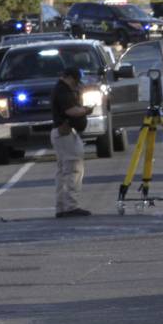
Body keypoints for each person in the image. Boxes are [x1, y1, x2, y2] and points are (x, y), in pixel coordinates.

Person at [51, 66, 94, 218]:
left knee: (64, 171)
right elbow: (71, 111)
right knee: (73, 169)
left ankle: (62, 207)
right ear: (69, 77)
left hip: (64, 133)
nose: (76, 84)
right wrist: (86, 110)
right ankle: (70, 206)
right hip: (65, 132)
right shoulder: (62, 91)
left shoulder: (62, 89)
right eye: (75, 81)